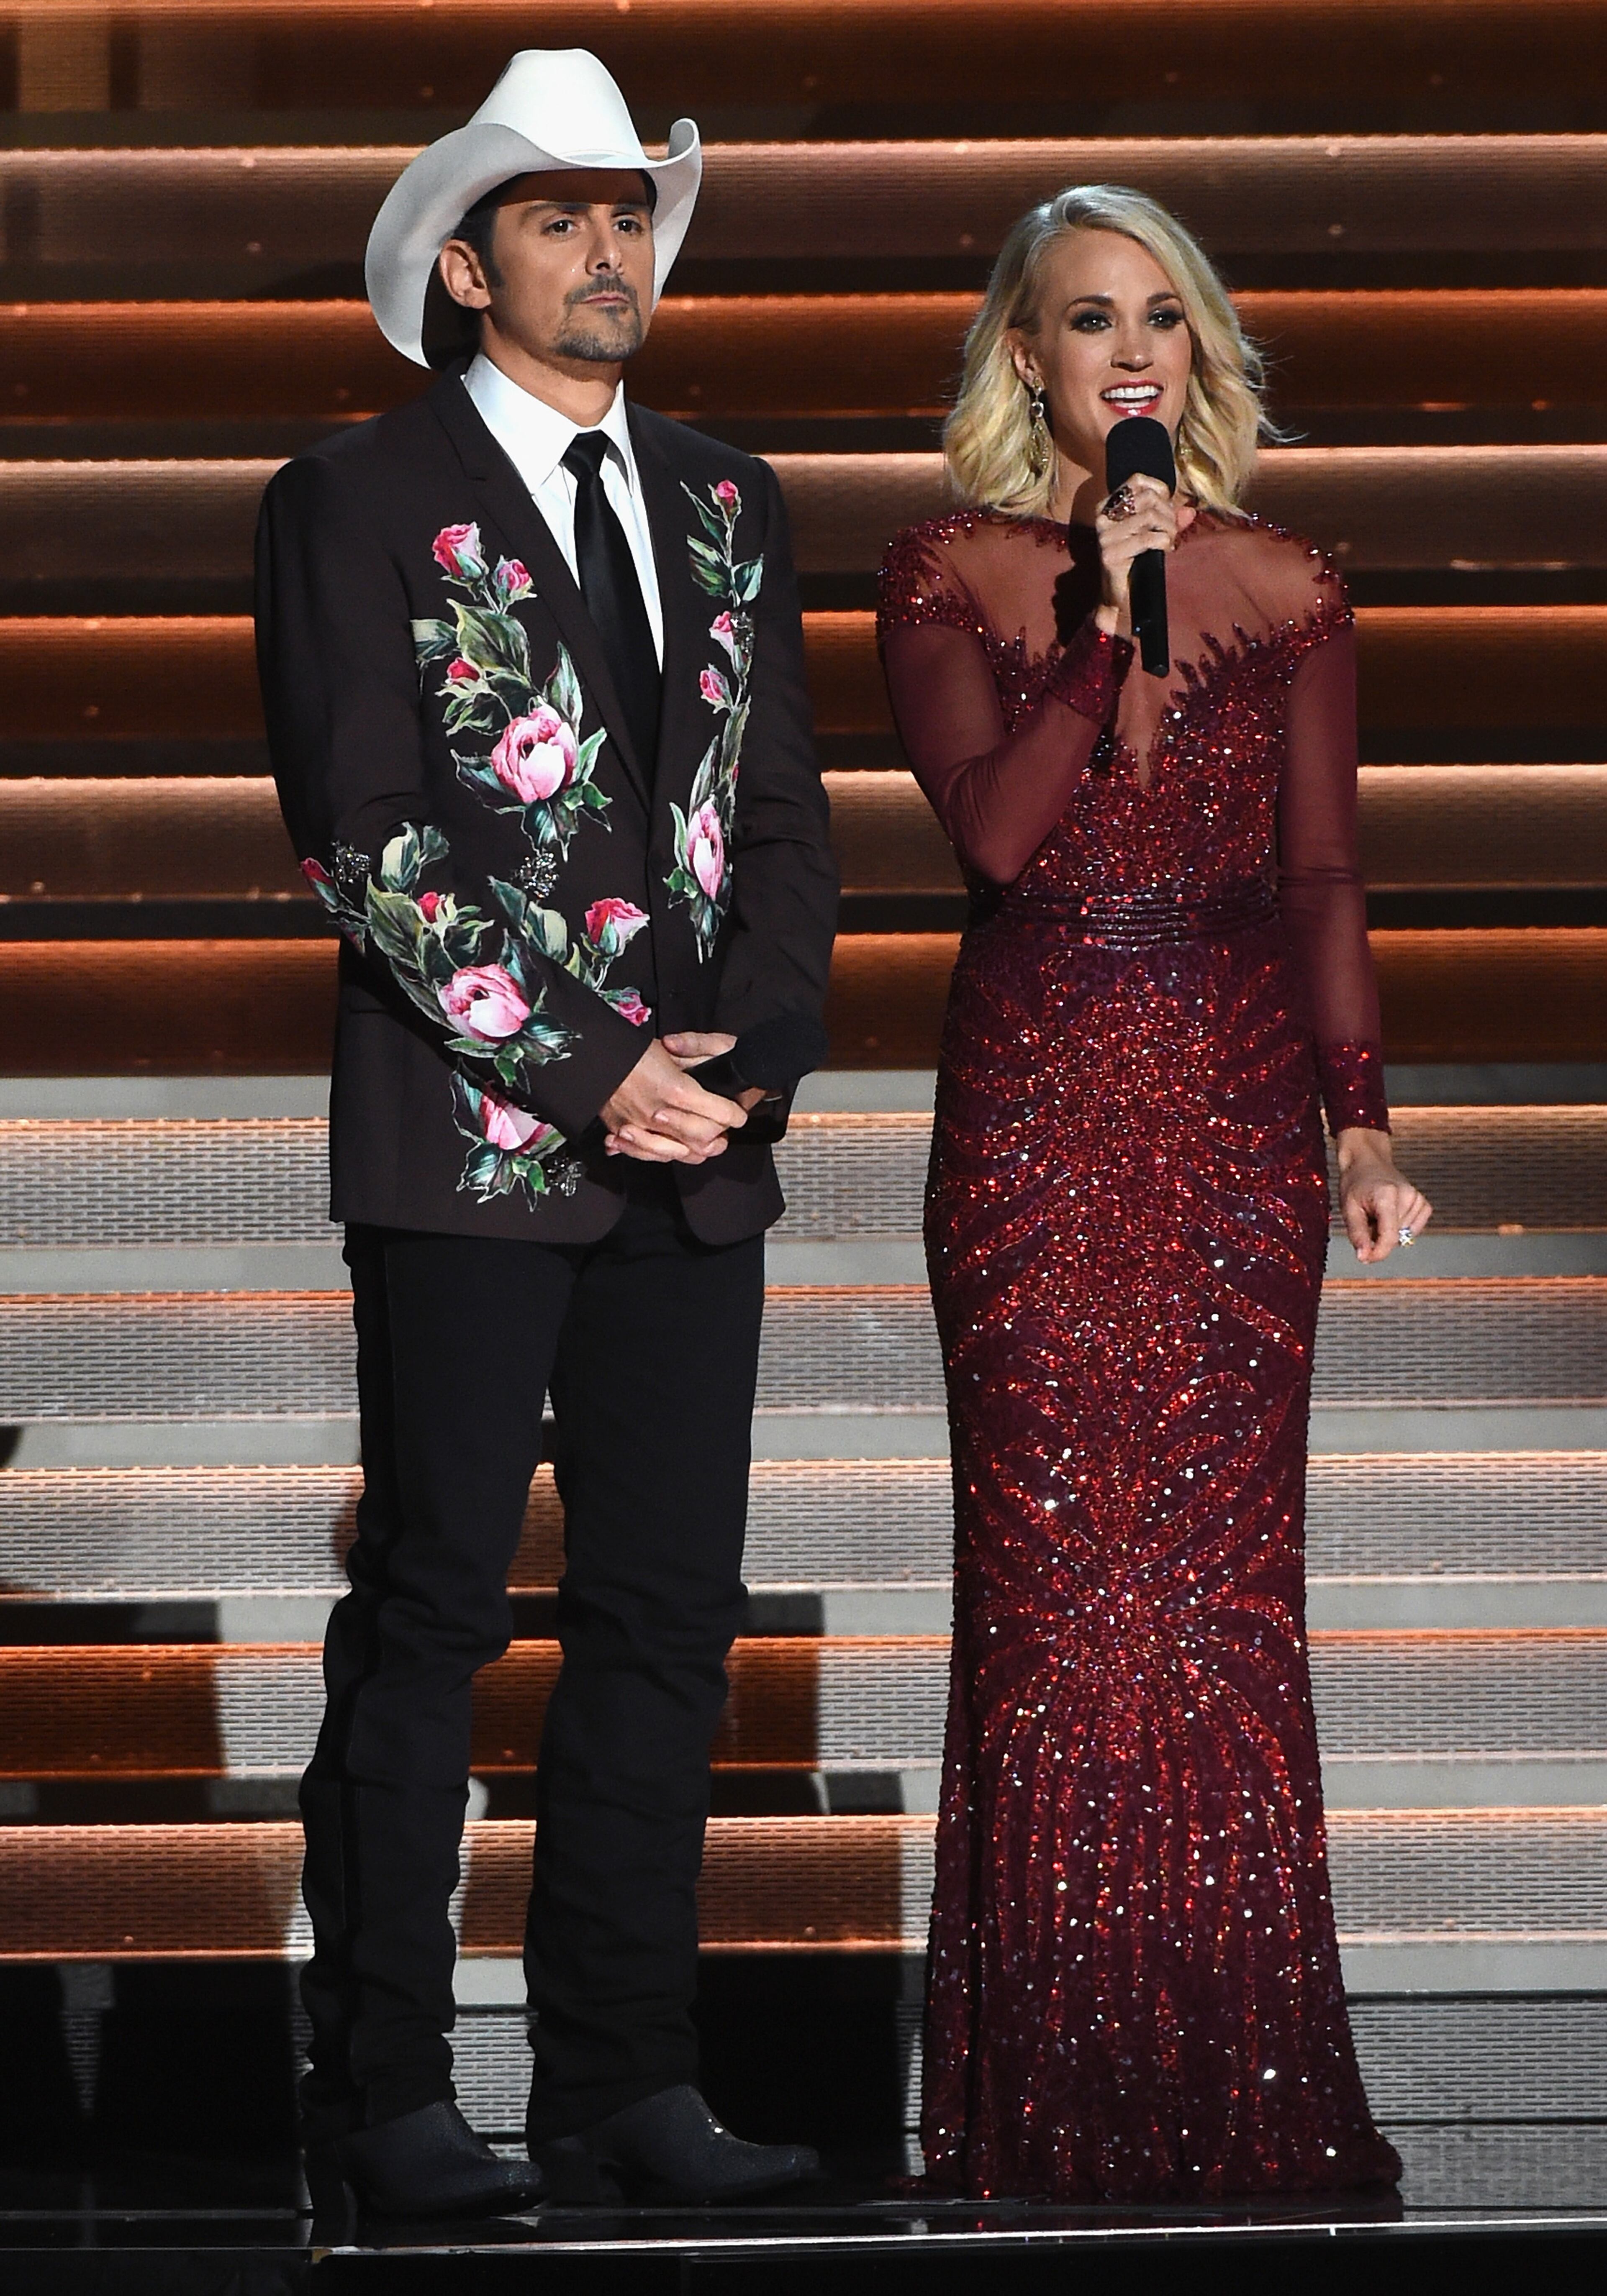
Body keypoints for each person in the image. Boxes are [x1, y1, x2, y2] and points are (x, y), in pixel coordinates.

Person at [255, 49, 836, 2220]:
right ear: (467, 256)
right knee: (431, 1612)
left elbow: (779, 819)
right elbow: (375, 842)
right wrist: (600, 1065)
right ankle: (384, 2088)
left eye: (633, 213)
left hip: (703, 1153)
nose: (615, 250)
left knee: (669, 1620)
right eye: (566, 214)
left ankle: (623, 2078)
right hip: (472, 1145)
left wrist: (753, 1053)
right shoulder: (352, 495)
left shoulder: (723, 495)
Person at [876, 184, 1432, 2201]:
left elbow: (1322, 877)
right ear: (1026, 356)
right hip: (1034, 1113)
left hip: (1226, 1119)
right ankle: (1047, 2107)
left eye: (1163, 321)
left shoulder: (1288, 583)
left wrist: (1357, 1118)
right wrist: (1100, 621)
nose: (1132, 352)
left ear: (1198, 350)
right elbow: (1007, 841)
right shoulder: (947, 570)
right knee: (1056, 1611)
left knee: (1213, 1612)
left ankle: (1243, 2088)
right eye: (1089, 320)